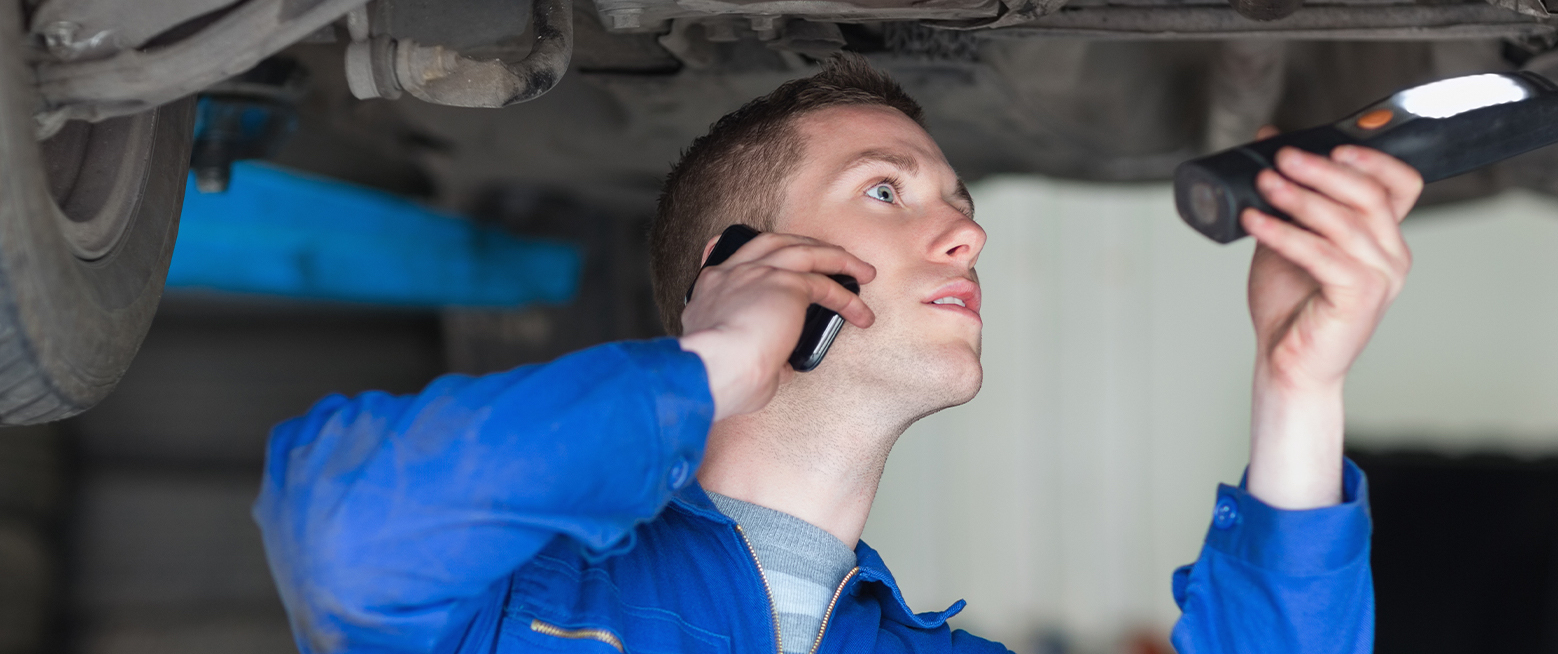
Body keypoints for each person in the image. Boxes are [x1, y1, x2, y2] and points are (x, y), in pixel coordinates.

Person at [254, 53, 1420, 654]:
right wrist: (714, 361)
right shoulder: (522, 609)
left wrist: (1296, 384)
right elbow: (347, 532)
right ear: (748, 260)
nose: (968, 230)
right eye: (885, 189)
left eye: (956, 201)